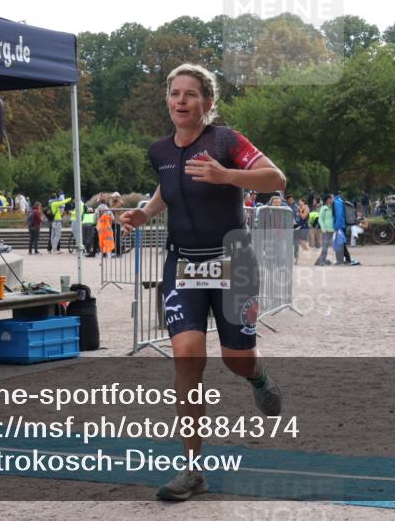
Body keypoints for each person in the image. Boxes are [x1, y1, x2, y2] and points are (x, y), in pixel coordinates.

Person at [118, 63, 286, 501]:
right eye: (174, 93)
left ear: (206, 102)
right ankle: (193, 469)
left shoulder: (225, 141)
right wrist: (145, 213)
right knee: (187, 357)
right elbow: (168, 187)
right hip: (183, 264)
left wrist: (227, 175)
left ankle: (259, 377)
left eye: (190, 94)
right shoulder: (159, 150)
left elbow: (276, 178)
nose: (181, 101)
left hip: (233, 261)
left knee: (236, 359)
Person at [333, 193, 360, 266]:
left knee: (340, 243)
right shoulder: (340, 202)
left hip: (339, 226)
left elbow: (339, 215)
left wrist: (336, 227)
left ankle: (346, 259)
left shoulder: (336, 203)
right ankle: (343, 259)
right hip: (343, 225)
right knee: (340, 243)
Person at [315, 194, 335, 266]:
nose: (332, 200)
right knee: (324, 246)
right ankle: (321, 261)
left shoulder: (333, 208)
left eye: (332, 198)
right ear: (327, 200)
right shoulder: (324, 208)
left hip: (332, 230)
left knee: (326, 246)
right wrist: (323, 228)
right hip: (326, 230)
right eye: (330, 198)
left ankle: (320, 260)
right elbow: (320, 219)